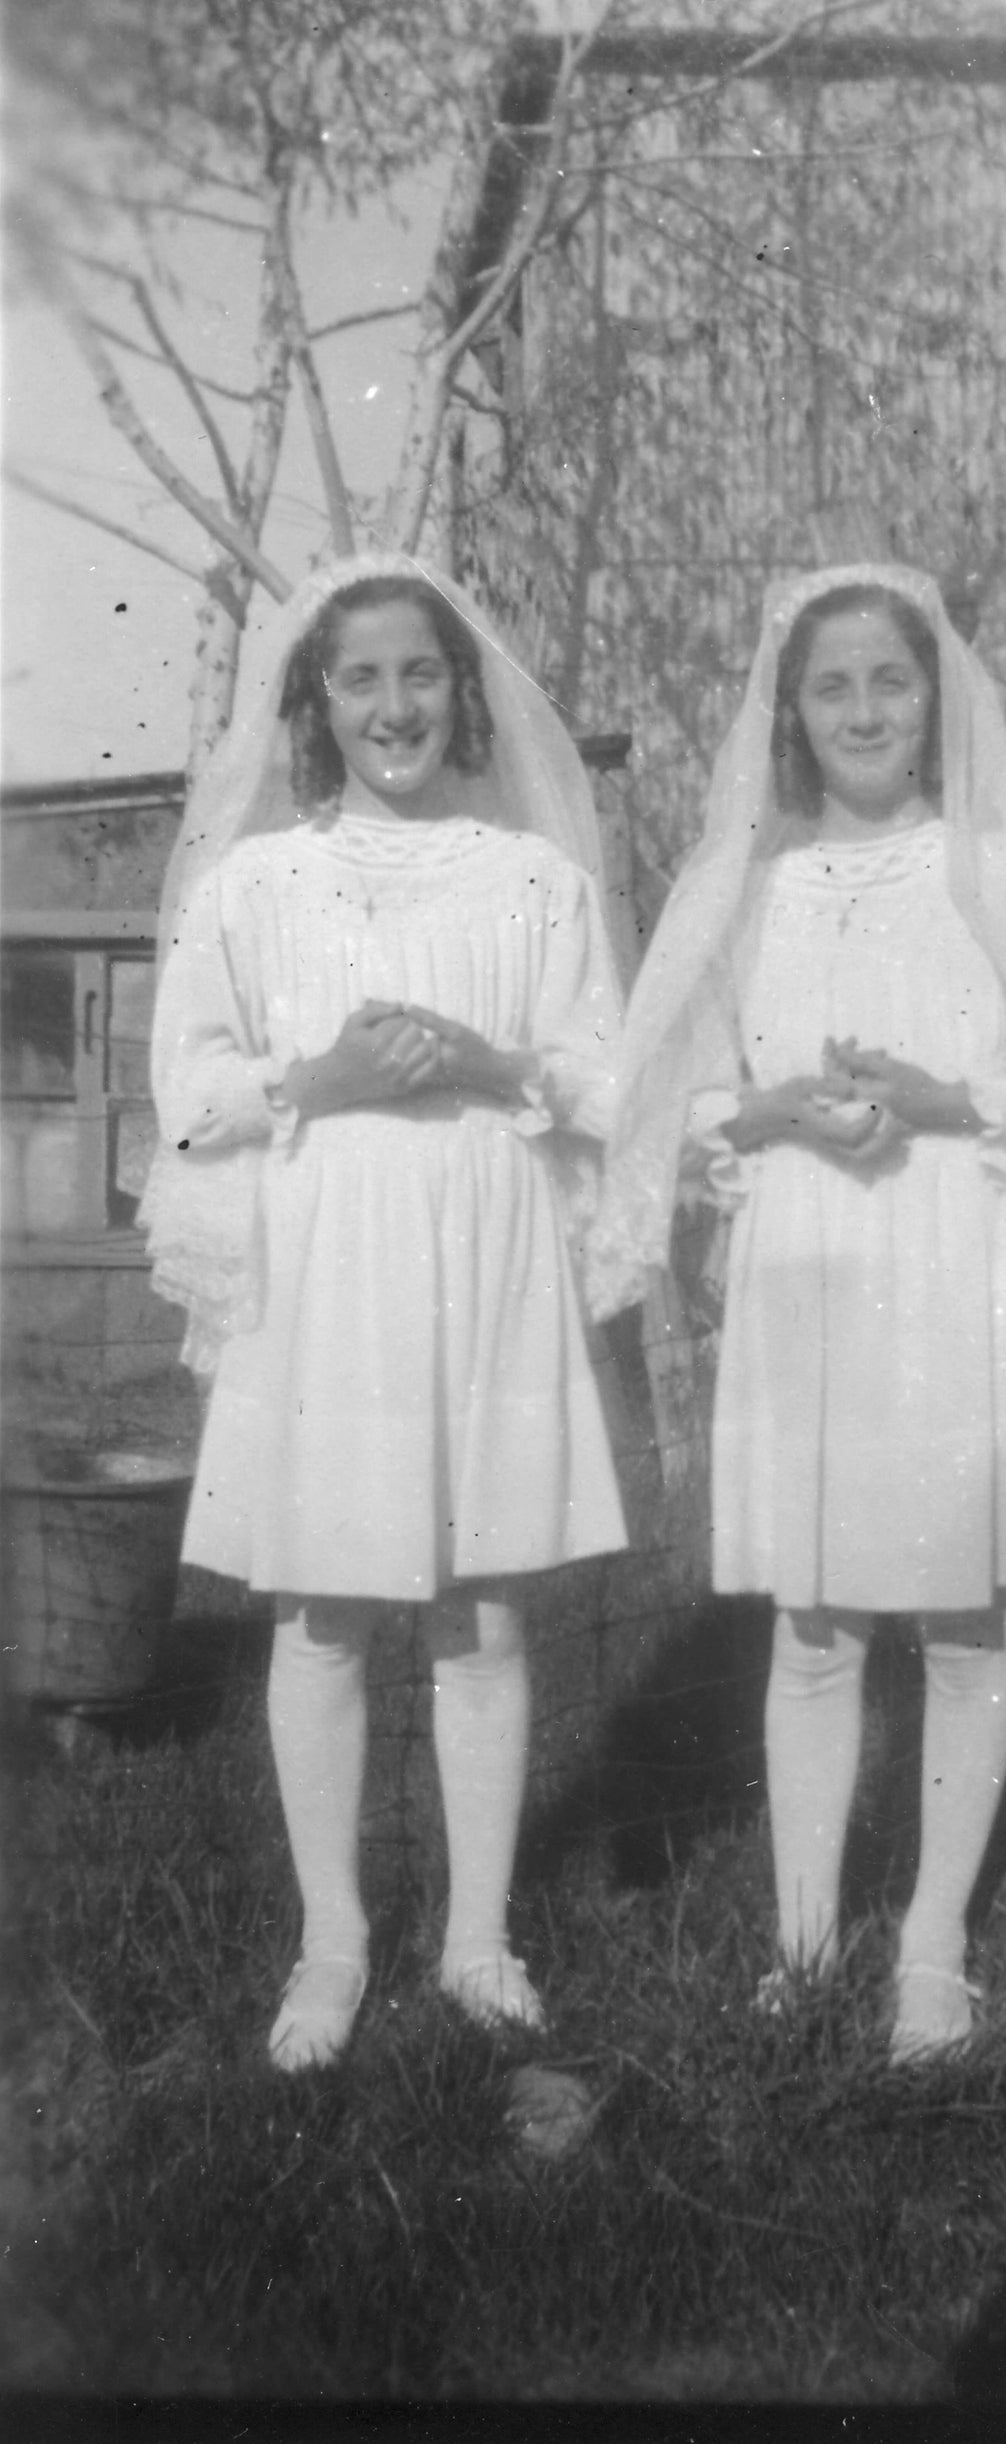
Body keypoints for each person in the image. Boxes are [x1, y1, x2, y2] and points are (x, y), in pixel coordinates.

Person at [588, 563, 1006, 2065]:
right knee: (818, 1619)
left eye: (887, 684)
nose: (861, 712)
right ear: (787, 712)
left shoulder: (989, 866)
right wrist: (773, 1108)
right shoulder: (750, 884)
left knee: (963, 1615)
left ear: (934, 698)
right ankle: (798, 1940)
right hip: (810, 1268)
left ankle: (930, 1943)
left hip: (955, 1260)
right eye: (829, 687)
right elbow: (673, 1092)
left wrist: (943, 1096)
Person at [144, 552, 627, 2071]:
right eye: (359, 677)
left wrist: (485, 1069)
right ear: (316, 701)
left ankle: (479, 1940)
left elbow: (602, 1078)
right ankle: (333, 1942)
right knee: (325, 1603)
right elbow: (186, 1092)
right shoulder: (255, 886)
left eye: (420, 672)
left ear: (461, 692)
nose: (394, 704)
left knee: (481, 1606)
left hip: (484, 1251)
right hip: (329, 1261)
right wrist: (320, 1081)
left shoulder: (537, 882)